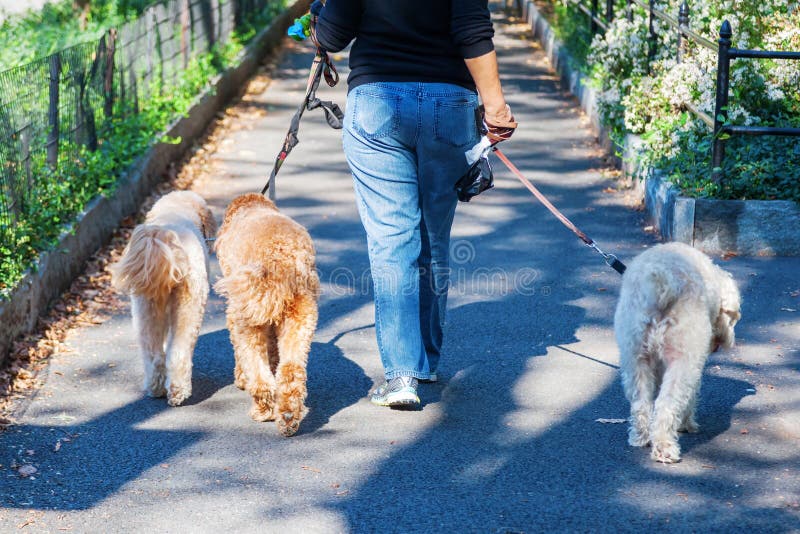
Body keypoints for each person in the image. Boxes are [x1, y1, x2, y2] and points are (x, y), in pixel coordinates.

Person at [313, 0, 517, 408]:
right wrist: (495, 107)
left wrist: (316, 18)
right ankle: (424, 362)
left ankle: (401, 375)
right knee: (433, 235)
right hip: (450, 104)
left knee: (393, 239)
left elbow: (332, 36)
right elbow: (472, 30)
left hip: (377, 102)